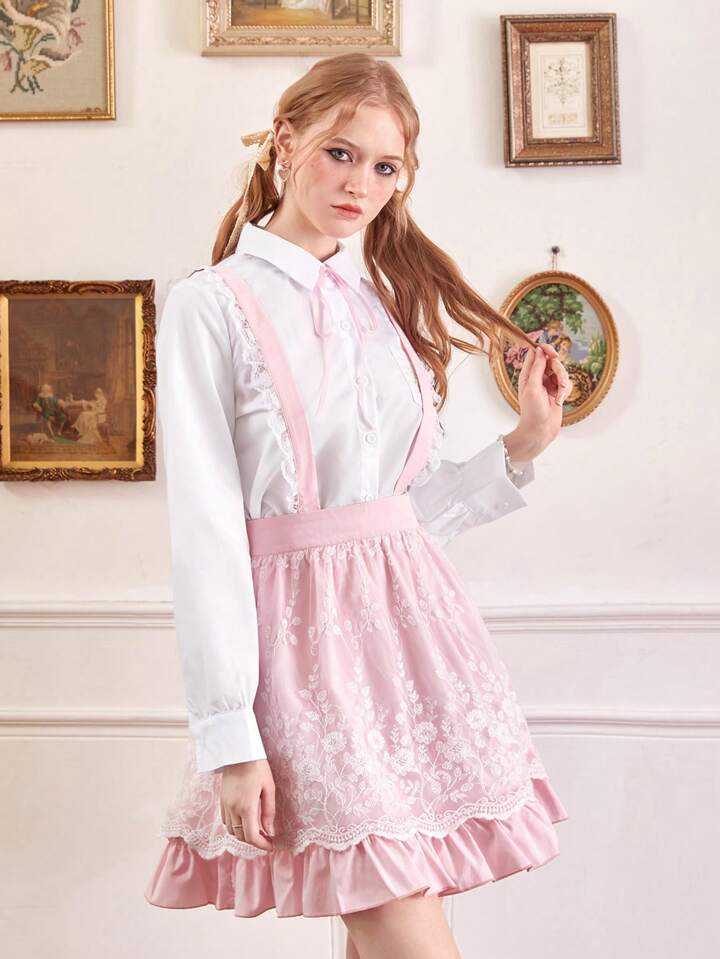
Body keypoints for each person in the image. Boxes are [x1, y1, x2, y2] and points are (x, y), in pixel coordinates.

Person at [145, 52, 571, 959]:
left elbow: (396, 521)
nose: (360, 186)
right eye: (341, 154)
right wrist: (230, 734)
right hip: (302, 663)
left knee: (384, 918)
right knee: (401, 919)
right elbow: (206, 535)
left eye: (385, 167)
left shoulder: (378, 307)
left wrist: (522, 445)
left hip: (414, 648)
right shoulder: (211, 305)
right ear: (285, 141)